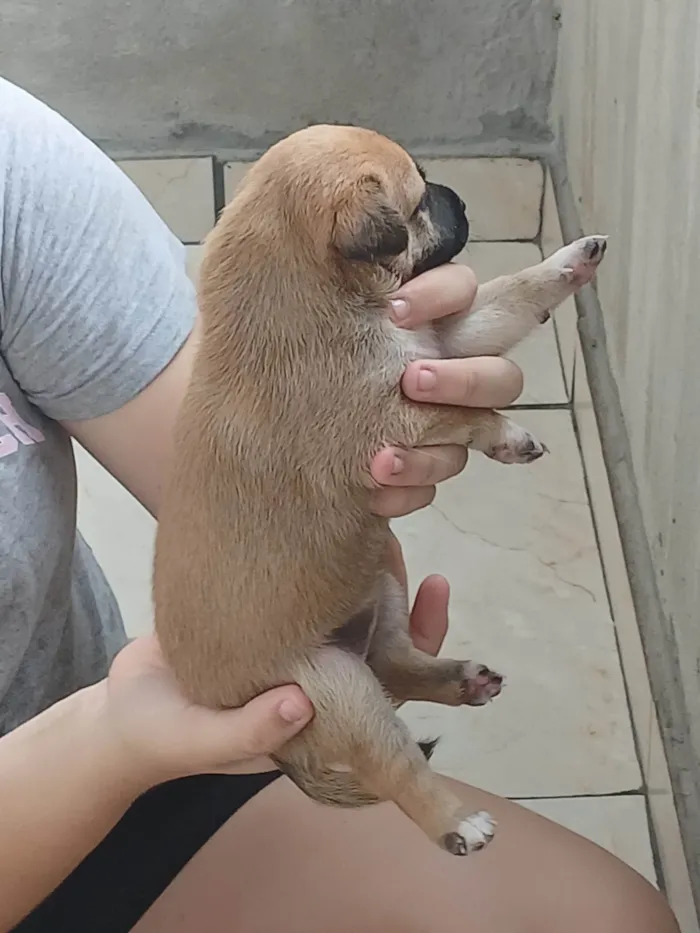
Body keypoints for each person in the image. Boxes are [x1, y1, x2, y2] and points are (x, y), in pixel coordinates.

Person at [0, 76, 679, 933]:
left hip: (144, 744)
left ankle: (402, 672)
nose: (429, 224)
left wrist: (379, 466)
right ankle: (425, 799)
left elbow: (256, 460)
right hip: (114, 743)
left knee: (610, 919)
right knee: (345, 697)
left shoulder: (12, 170)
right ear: (358, 243)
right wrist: (108, 740)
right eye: (412, 214)